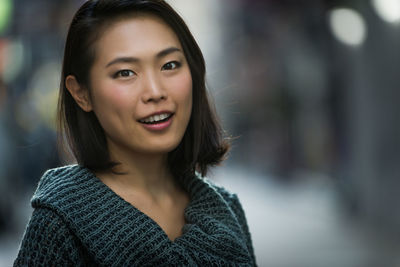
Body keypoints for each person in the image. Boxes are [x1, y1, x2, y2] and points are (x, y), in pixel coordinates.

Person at [14, 0, 256, 266]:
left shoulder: (227, 210)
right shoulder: (60, 222)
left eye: (170, 65)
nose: (155, 91)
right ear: (81, 93)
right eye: (125, 72)